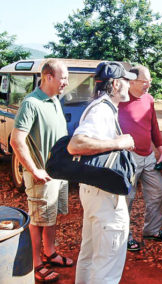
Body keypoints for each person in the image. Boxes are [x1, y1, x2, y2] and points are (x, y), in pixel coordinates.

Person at [68, 61, 136, 284]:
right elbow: (76, 144)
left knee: (89, 257)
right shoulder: (101, 110)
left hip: (95, 192)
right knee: (107, 264)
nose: (129, 85)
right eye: (126, 81)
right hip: (104, 197)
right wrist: (119, 143)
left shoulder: (99, 106)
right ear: (116, 84)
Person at [10, 59, 73, 283]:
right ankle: (36, 263)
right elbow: (16, 140)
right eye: (63, 77)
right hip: (42, 176)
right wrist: (34, 169)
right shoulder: (32, 103)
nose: (66, 82)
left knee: (51, 216)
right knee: (37, 220)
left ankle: (51, 252)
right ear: (48, 77)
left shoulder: (55, 99)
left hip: (58, 173)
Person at [119, 65, 162, 251]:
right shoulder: (119, 100)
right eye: (145, 81)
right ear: (132, 81)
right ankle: (125, 237)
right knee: (126, 199)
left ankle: (152, 230)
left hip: (148, 155)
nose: (148, 84)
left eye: (150, 80)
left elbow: (154, 126)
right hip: (127, 157)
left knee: (159, 193)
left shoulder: (148, 99)